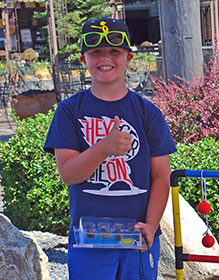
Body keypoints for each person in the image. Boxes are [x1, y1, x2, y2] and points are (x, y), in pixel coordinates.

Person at [44, 17, 176, 279]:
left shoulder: (148, 113)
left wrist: (151, 224)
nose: (106, 58)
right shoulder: (69, 111)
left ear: (128, 57)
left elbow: (161, 176)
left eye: (115, 51)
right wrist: (103, 147)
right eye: (96, 52)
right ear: (84, 60)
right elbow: (69, 175)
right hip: (88, 240)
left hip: (139, 239)